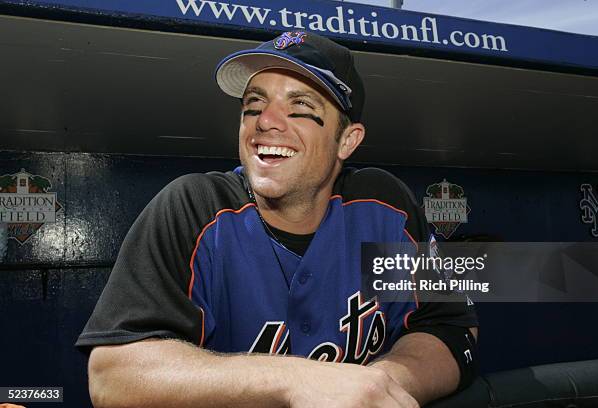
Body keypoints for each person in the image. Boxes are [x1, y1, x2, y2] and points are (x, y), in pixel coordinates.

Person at [77, 31, 478, 408]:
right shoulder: (194, 206)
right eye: (253, 105)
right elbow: (111, 375)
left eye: (300, 107)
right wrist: (296, 380)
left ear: (347, 140)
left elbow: (452, 327)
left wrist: (381, 384)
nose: (265, 121)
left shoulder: (386, 206)